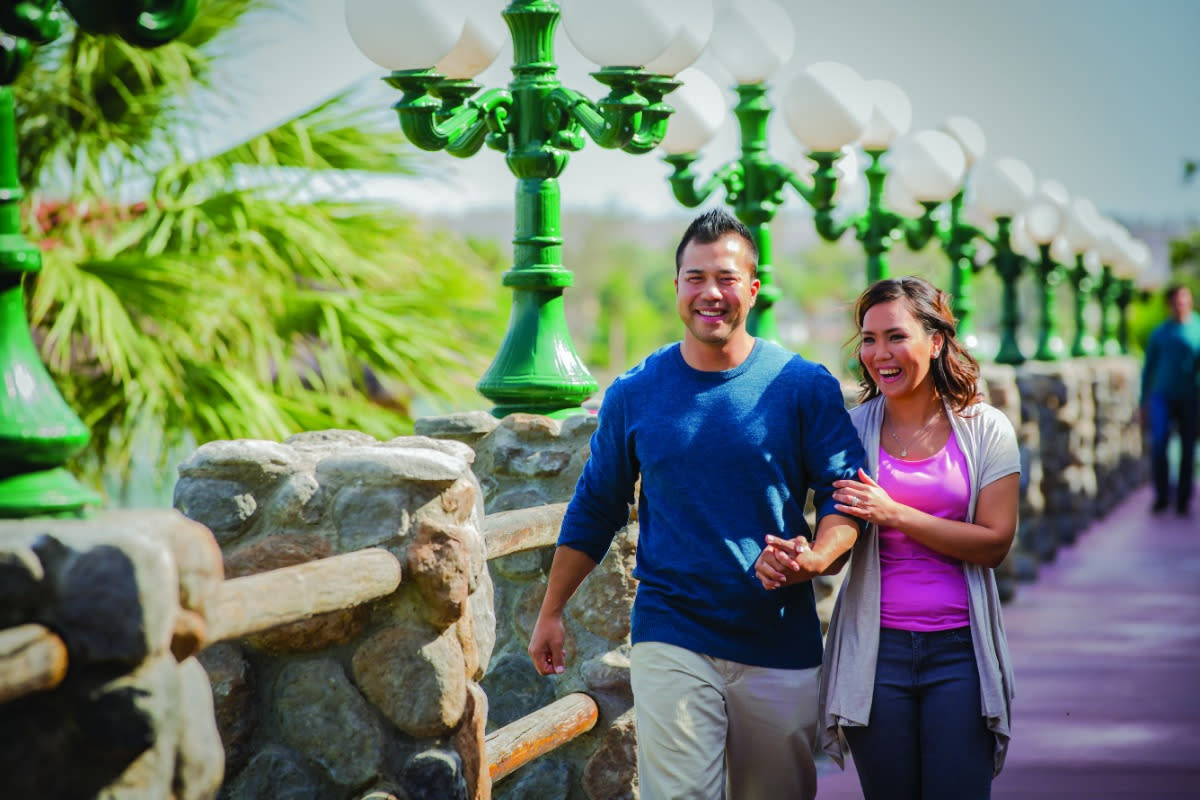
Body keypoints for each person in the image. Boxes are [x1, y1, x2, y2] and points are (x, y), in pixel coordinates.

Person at [527, 208, 865, 800]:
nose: (711, 293)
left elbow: (845, 498)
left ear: (753, 290)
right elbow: (597, 505)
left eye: (727, 279)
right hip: (672, 631)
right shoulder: (634, 393)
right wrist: (551, 609)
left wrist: (816, 558)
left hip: (778, 638)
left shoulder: (803, 386)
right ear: (678, 285)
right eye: (695, 277)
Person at [756, 276, 1021, 800]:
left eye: (896, 336)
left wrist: (896, 513)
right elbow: (836, 542)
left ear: (936, 340)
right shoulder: (850, 431)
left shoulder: (986, 429)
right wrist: (802, 558)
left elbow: (995, 542)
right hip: (875, 657)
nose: (880, 354)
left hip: (960, 653)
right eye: (869, 339)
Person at [1140, 284, 1200, 516]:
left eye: (1184, 299)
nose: (1180, 304)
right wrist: (1143, 401)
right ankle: (1162, 495)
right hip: (1162, 396)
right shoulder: (1160, 333)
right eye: (1176, 301)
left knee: (1188, 447)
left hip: (1189, 397)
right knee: (1159, 444)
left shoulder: (1197, 328)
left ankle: (1184, 498)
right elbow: (1149, 369)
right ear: (1169, 305)